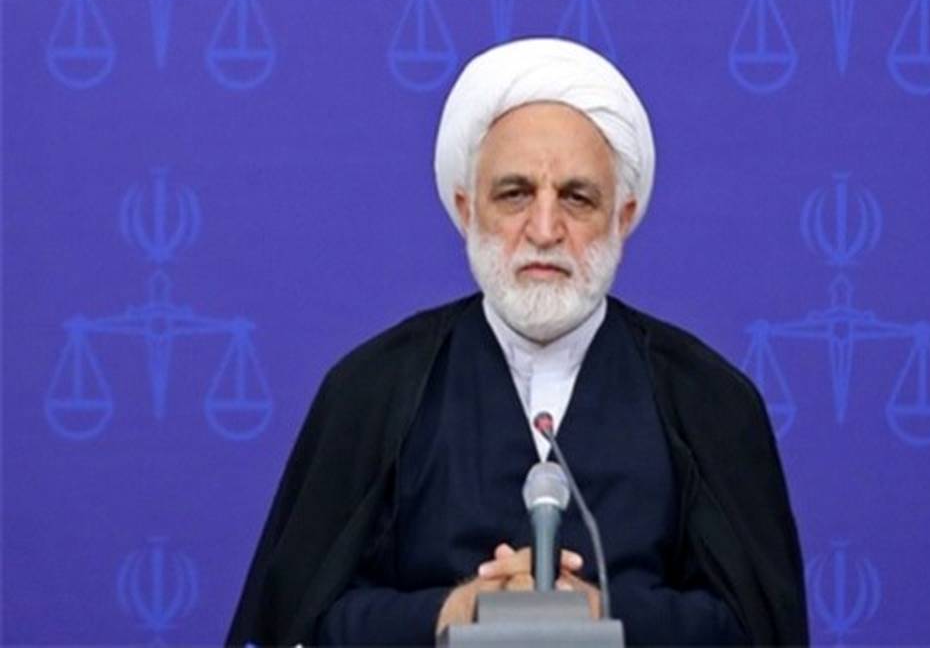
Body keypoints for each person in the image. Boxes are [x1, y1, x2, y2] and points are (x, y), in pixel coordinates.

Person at [225, 38, 808, 646]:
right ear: (466, 210)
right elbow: (298, 624)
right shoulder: (371, 388)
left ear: (623, 217)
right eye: (515, 194)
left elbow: (757, 632)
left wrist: (603, 614)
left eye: (577, 198)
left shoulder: (708, 400)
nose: (545, 229)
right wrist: (454, 612)